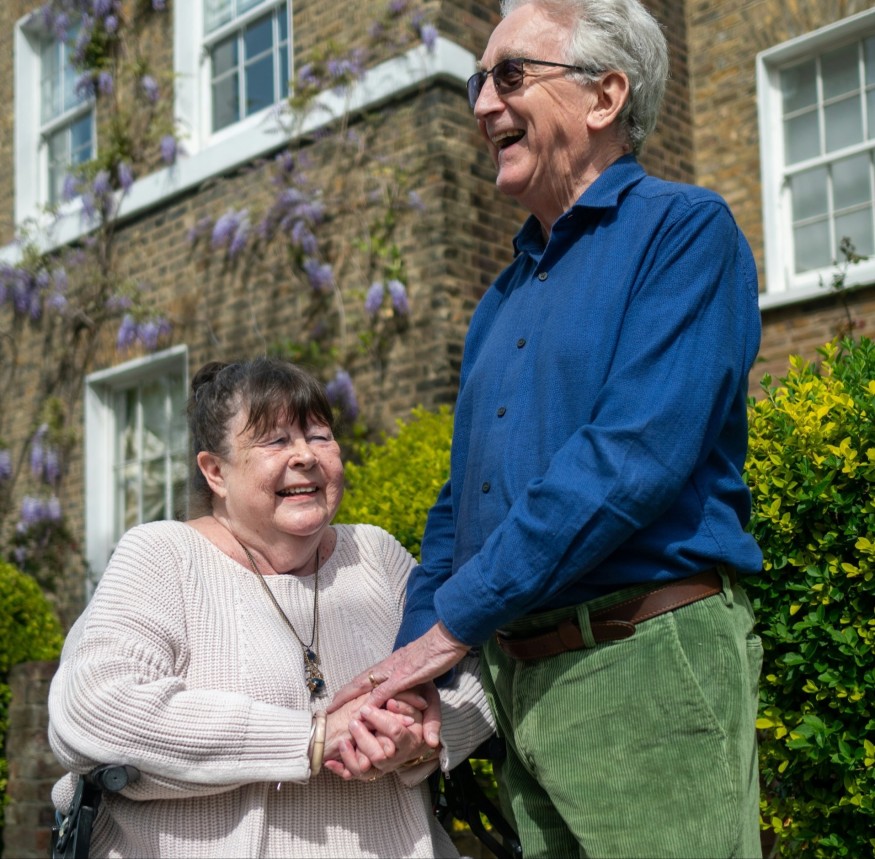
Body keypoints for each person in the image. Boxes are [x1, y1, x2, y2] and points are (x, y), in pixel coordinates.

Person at [330, 1, 765, 856]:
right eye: (476, 82)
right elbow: (461, 505)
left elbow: (629, 458)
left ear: (605, 96)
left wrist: (450, 629)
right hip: (519, 681)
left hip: (643, 664)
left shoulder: (684, 232)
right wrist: (416, 670)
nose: (483, 104)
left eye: (509, 75)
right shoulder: (498, 299)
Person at [48, 357, 494, 858]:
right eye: (275, 441)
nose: (304, 455)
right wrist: (314, 737)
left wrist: (426, 736)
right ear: (215, 472)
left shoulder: (375, 554)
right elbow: (93, 711)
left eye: (319, 436)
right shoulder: (163, 557)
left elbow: (479, 670)